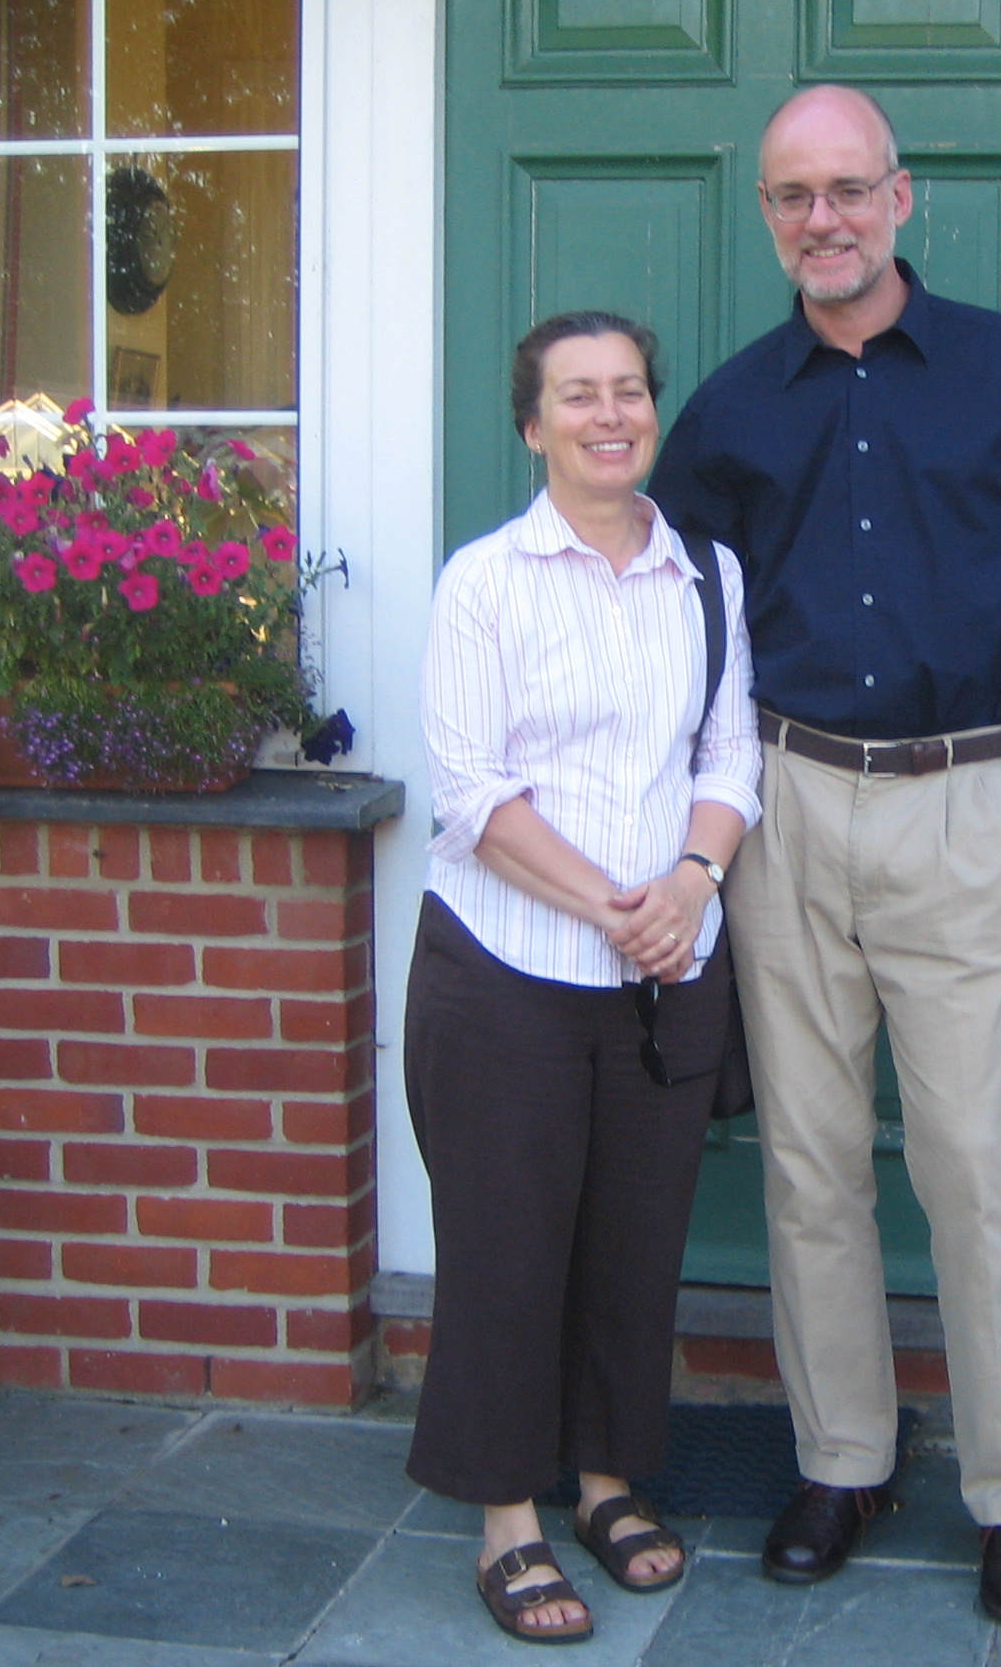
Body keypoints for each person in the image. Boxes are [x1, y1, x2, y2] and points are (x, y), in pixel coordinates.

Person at [648, 85, 1001, 1625]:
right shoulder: (732, 409)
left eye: (849, 189)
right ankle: (842, 1460)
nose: (825, 220)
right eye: (795, 195)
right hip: (786, 809)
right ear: (768, 214)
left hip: (960, 803)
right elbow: (676, 623)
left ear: (901, 198)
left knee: (976, 1165)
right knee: (808, 1163)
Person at [405, 310, 760, 1645]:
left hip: (668, 974)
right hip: (506, 972)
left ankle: (609, 1483)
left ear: (653, 412)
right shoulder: (484, 583)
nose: (609, 415)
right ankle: (509, 1519)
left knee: (633, 1243)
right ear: (532, 425)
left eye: (628, 392)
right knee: (505, 1251)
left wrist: (693, 884)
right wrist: (620, 908)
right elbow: (471, 794)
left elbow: (730, 757)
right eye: (577, 395)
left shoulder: (708, 576)